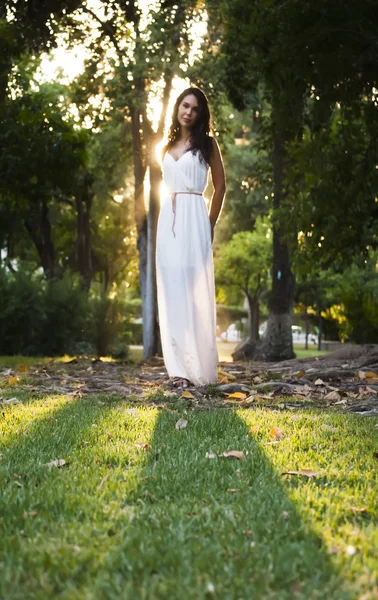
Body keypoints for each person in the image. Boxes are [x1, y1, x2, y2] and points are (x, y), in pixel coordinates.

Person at [156, 87, 226, 389]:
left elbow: (220, 188)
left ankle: (199, 368)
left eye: (194, 108)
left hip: (195, 216)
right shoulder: (166, 145)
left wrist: (208, 225)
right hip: (167, 220)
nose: (188, 112)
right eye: (184, 105)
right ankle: (177, 371)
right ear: (177, 108)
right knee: (171, 290)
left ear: (201, 114)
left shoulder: (208, 145)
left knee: (192, 292)